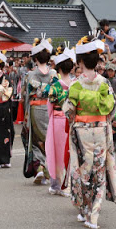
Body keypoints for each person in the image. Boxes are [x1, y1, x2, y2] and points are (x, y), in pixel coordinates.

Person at [62, 36, 116, 229]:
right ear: (97, 62)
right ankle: (94, 214)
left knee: (83, 170)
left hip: (81, 130)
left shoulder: (76, 84)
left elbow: (69, 110)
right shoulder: (105, 83)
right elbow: (111, 109)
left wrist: (75, 120)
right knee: (99, 171)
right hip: (101, 128)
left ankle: (84, 209)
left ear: (80, 62)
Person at [22, 37, 56, 183]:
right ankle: (49, 167)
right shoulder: (54, 74)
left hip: (35, 108)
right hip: (49, 108)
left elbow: (26, 96)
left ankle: (40, 167)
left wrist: (26, 115)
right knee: (49, 139)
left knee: (35, 139)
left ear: (35, 58)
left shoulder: (30, 75)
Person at [45, 45, 75, 196]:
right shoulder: (75, 85)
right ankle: (68, 184)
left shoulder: (55, 86)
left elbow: (50, 105)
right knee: (69, 151)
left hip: (57, 120)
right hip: (72, 121)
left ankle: (57, 184)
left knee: (55, 151)